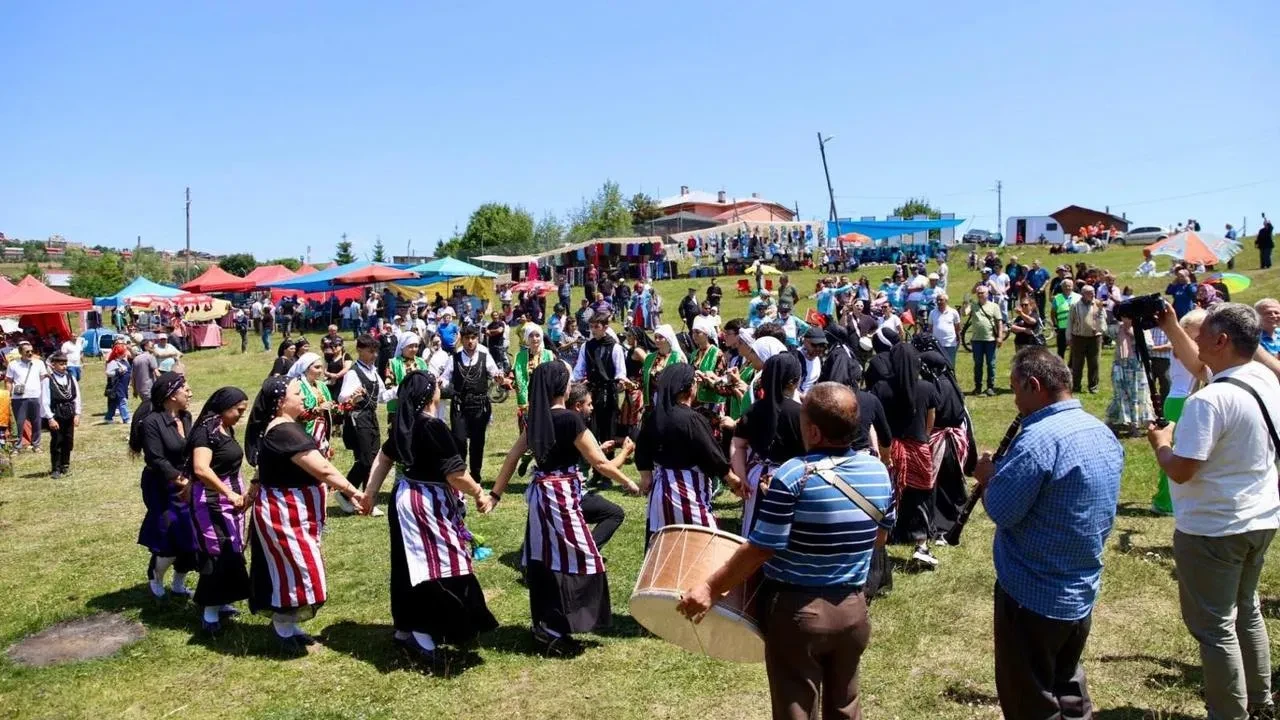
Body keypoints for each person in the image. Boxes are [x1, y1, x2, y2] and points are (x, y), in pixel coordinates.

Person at [678, 383, 895, 720]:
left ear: (813, 430)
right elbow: (879, 537)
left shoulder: (795, 473)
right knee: (846, 707)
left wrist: (708, 587)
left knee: (795, 708)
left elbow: (761, 548)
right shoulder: (878, 471)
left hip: (798, 612)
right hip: (853, 609)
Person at [971, 347, 1122, 719]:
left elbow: (1004, 510)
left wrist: (988, 478)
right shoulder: (1101, 432)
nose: (1015, 400)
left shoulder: (1039, 439)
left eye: (1015, 390)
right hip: (1079, 585)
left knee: (1030, 698)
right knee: (1067, 680)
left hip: (1032, 594)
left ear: (1034, 385)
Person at [1147, 303, 1280, 720]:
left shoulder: (1210, 401)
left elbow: (1183, 471)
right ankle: (1260, 701)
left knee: (1215, 627)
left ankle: (1229, 713)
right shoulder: (1264, 380)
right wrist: (1170, 322)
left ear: (1221, 340)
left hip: (1213, 527)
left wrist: (1160, 444)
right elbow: (1197, 361)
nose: (1195, 340)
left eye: (1201, 333)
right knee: (1248, 610)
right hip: (1260, 517)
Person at [489, 362, 634, 655]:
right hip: (562, 495)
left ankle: (546, 625)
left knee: (545, 558)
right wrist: (629, 482)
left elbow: (512, 458)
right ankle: (558, 626)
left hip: (541, 496)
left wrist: (495, 494)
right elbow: (600, 464)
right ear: (562, 387)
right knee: (584, 558)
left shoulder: (537, 419)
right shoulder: (570, 419)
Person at [359, 370, 498, 661]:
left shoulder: (404, 423)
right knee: (435, 569)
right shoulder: (433, 426)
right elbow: (456, 474)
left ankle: (405, 629)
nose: (440, 387)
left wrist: (370, 494)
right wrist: (479, 494)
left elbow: (384, 457)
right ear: (428, 394)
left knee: (407, 566)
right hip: (426, 505)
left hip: (405, 499)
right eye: (436, 385)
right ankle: (424, 636)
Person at [244, 376, 366, 651]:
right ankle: (282, 630)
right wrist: (354, 492)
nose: (303, 398)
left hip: (295, 512)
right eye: (298, 394)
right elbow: (321, 469)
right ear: (280, 401)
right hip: (284, 513)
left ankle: (287, 625)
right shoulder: (283, 432)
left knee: (295, 569)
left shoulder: (287, 427)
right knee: (297, 570)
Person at [635, 364, 743, 547]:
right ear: (689, 387)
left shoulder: (653, 417)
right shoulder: (691, 419)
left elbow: (642, 456)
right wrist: (733, 480)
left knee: (663, 544)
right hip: (686, 491)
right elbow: (711, 455)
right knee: (701, 545)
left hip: (660, 492)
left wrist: (646, 478)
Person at [186, 387, 251, 634]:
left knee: (232, 550)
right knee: (217, 552)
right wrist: (228, 493)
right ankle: (209, 613)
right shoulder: (205, 432)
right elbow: (201, 469)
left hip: (231, 501)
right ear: (224, 406)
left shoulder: (225, 428)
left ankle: (223, 602)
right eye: (238, 410)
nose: (240, 416)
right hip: (210, 501)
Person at [871, 342, 939, 567]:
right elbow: (931, 420)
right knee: (920, 494)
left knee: (891, 494)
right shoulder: (927, 388)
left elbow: (877, 421)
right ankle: (920, 540)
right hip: (918, 447)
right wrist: (924, 438)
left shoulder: (881, 388)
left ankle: (889, 534)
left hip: (891, 448)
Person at [132, 372, 199, 599]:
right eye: (185, 389)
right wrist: (181, 481)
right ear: (171, 395)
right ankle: (156, 575)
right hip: (163, 485)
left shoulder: (186, 417)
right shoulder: (152, 422)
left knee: (192, 535)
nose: (190, 393)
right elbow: (156, 459)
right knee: (170, 533)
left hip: (188, 483)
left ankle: (179, 582)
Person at [731, 353, 804, 534]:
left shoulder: (754, 409)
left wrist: (742, 479)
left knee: (755, 528)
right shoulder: (802, 414)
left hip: (757, 477)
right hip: (793, 478)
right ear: (793, 382)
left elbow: (738, 445)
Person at [338, 335, 396, 516]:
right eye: (370, 351)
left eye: (376, 351)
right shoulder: (354, 372)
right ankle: (344, 494)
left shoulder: (373, 372)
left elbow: (381, 397)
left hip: (371, 418)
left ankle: (367, 500)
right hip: (358, 418)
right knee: (364, 460)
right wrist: (353, 395)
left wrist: (398, 390)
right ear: (360, 350)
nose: (374, 355)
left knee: (373, 460)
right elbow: (342, 397)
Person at [441, 324, 506, 481]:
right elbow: (445, 378)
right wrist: (440, 382)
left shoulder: (485, 356)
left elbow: (495, 372)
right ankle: (461, 475)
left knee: (478, 442)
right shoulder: (454, 358)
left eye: (473, 338)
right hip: (459, 406)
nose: (470, 341)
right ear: (462, 340)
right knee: (459, 440)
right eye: (467, 338)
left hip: (479, 405)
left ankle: (475, 474)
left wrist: (498, 377)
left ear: (477, 338)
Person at [572, 314, 627, 476]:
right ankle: (594, 471)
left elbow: (620, 372)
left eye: (597, 326)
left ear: (605, 327)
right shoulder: (587, 347)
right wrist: (572, 383)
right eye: (592, 326)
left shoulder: (615, 347)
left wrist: (621, 383)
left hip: (609, 394)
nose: (593, 330)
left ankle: (607, 473)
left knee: (608, 431)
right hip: (592, 395)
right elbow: (579, 370)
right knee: (591, 431)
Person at [1105, 318, 1155, 436]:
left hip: (1137, 366)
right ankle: (1116, 422)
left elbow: (1149, 346)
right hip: (1120, 365)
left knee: (1137, 395)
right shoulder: (1117, 328)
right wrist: (1100, 311)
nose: (1125, 319)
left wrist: (1133, 334)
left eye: (1128, 316)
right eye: (1123, 316)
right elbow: (1103, 329)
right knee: (1120, 395)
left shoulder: (1141, 329)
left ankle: (1135, 426)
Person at [288, 352, 336, 462]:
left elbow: (332, 407)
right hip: (304, 433)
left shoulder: (321, 385)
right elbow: (296, 413)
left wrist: (351, 403)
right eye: (317, 367)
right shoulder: (297, 386)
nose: (320, 371)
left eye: (321, 367)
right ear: (305, 368)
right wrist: (317, 410)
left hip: (322, 431)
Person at [40, 352, 81, 478]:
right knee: (57, 440)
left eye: (65, 364)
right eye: (61, 364)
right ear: (53, 365)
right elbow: (44, 401)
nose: (64, 366)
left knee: (68, 440)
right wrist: (50, 418)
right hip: (56, 413)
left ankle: (65, 465)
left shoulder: (70, 378)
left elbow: (77, 397)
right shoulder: (48, 380)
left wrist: (77, 414)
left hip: (69, 412)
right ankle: (55, 468)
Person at [5, 340, 45, 449]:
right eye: (27, 352)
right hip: (18, 398)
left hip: (35, 396)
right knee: (19, 423)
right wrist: (8, 395)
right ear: (20, 352)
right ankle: (18, 446)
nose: (30, 353)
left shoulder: (39, 363)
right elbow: (8, 380)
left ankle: (36, 445)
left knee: (37, 422)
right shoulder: (13, 365)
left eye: (31, 351)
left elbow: (43, 377)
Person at [1068, 285, 1107, 394]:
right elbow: (1070, 322)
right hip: (1078, 338)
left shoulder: (1098, 304)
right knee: (1077, 364)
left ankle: (1093, 387)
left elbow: (1103, 319)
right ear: (1083, 294)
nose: (1093, 294)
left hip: (1095, 338)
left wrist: (1100, 309)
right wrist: (1068, 337)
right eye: (1090, 293)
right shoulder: (1075, 305)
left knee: (1094, 363)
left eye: (1093, 292)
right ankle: (1076, 386)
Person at [966, 285, 1004, 396]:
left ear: (988, 294)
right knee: (978, 364)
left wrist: (1000, 336)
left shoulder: (994, 306)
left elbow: (999, 322)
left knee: (991, 364)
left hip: (990, 339)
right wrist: (965, 303)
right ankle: (978, 387)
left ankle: (990, 387)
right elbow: (964, 313)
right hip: (977, 340)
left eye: (982, 293)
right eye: (978, 293)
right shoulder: (973, 306)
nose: (980, 295)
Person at [385, 333, 428, 422]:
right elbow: (389, 385)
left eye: (416, 346)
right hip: (399, 407)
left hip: (419, 407)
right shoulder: (393, 363)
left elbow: (427, 382)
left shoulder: (421, 362)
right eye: (410, 346)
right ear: (402, 346)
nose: (414, 349)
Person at [690, 315, 725, 412]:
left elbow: (721, 380)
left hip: (712, 401)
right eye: (693, 332)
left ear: (706, 334)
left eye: (698, 332)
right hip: (696, 400)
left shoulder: (717, 353)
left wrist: (704, 379)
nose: (694, 335)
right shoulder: (694, 353)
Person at [928, 292, 961, 368]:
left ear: (946, 301)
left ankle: (950, 380)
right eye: (937, 300)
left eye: (941, 300)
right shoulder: (932, 313)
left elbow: (957, 327)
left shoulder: (953, 312)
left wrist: (958, 337)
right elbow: (930, 328)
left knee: (950, 365)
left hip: (950, 343)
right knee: (937, 365)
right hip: (936, 344)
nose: (939, 302)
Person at [104, 343, 132, 425]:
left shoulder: (124, 361)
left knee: (114, 402)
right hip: (117, 386)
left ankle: (108, 417)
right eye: (123, 352)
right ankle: (126, 418)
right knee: (122, 401)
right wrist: (118, 371)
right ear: (118, 353)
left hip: (124, 385)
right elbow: (108, 373)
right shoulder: (113, 362)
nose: (125, 353)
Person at [1052, 278, 1080, 358]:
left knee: (1074, 350)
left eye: (1069, 286)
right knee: (1061, 351)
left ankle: (1071, 368)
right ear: (1062, 287)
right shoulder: (1057, 298)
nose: (1067, 288)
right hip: (1062, 328)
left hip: (1075, 328)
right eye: (1065, 286)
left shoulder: (1079, 297)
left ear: (1072, 286)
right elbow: (1053, 313)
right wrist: (1055, 325)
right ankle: (1059, 367)